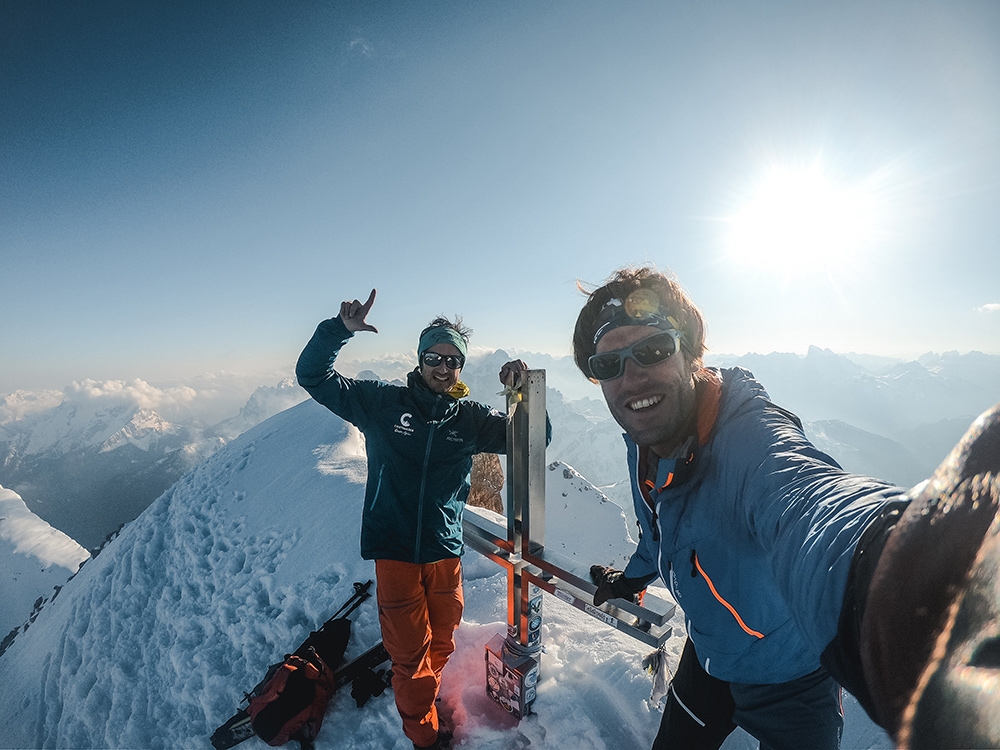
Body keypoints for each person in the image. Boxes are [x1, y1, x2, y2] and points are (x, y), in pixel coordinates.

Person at [575, 267, 999, 750]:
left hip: (795, 680)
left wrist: (894, 571)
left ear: (690, 352)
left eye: (652, 350)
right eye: (608, 365)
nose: (631, 378)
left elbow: (806, 497)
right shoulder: (644, 442)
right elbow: (660, 531)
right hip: (710, 657)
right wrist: (631, 579)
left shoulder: (749, 441)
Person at [296, 289, 534, 750]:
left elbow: (533, 439)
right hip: (396, 553)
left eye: (453, 361)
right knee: (409, 659)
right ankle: (423, 735)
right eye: (434, 357)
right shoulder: (382, 403)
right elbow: (313, 376)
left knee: (440, 642)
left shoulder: (470, 419)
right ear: (420, 358)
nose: (443, 368)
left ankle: (420, 693)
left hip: (445, 552)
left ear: (461, 368)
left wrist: (521, 394)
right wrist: (338, 331)